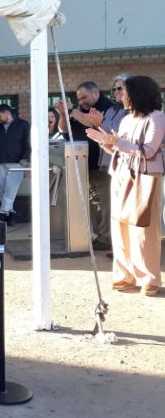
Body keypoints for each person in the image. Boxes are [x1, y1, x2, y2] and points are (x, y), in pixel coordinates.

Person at [86, 75, 164, 297]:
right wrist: (103, 140)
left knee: (143, 228)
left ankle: (149, 278)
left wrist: (116, 142)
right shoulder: (128, 119)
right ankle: (125, 276)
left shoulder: (157, 117)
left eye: (124, 90)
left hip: (145, 176)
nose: (120, 95)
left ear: (137, 93)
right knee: (120, 226)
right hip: (120, 173)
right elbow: (120, 149)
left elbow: (148, 151)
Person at [55, 82, 115, 250]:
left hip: (102, 165)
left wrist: (73, 111)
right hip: (83, 165)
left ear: (95, 93)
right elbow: (64, 130)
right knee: (93, 204)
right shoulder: (78, 109)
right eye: (79, 98)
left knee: (106, 204)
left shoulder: (107, 107)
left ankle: (108, 238)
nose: (81, 101)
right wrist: (63, 113)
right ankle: (100, 236)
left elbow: (95, 124)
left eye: (84, 97)